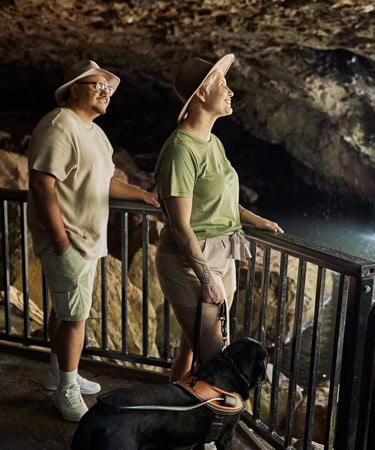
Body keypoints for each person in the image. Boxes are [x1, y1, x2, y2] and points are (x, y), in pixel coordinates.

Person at [27, 60, 160, 422]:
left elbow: (105, 180)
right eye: (98, 85)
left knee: (63, 310)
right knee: (75, 317)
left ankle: (58, 374)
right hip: (69, 237)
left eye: (109, 89)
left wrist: (142, 195)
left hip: (86, 239)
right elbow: (42, 183)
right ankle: (66, 390)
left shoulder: (94, 132)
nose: (106, 92)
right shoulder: (59, 125)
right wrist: (60, 239)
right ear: (74, 89)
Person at [154, 54, 283, 382]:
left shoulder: (213, 142)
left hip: (222, 254)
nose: (231, 91)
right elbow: (180, 222)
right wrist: (207, 279)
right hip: (191, 262)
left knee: (191, 346)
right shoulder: (181, 150)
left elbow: (223, 202)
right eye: (222, 84)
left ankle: (174, 413)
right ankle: (206, 430)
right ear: (201, 94)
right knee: (214, 359)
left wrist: (257, 221)